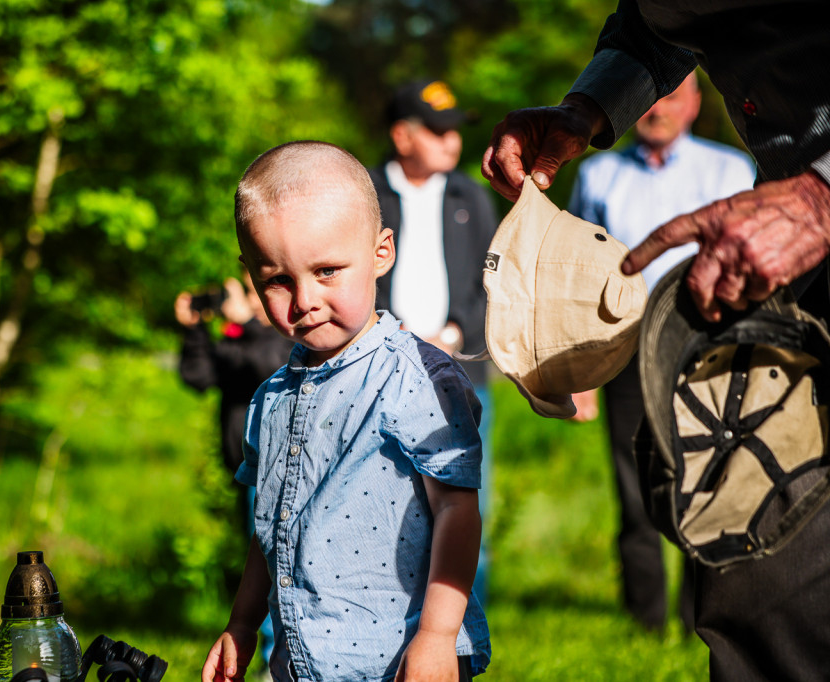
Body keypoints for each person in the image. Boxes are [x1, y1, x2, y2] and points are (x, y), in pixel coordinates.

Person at [482, 1, 830, 678]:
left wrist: (821, 196)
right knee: (753, 548)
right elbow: (656, 23)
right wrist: (587, 108)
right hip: (774, 293)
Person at [202, 141, 491, 682]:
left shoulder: (418, 377)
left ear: (382, 252)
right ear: (250, 276)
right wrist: (242, 623)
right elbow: (271, 526)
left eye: (327, 270)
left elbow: (457, 511)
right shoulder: (272, 396)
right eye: (277, 280)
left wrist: (437, 637)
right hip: (301, 661)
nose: (304, 299)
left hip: (400, 661)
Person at [566, 71, 755, 634]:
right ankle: (644, 623)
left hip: (708, 340)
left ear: (696, 102)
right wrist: (582, 371)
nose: (658, 109)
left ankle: (702, 617)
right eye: (648, 98)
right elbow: (582, 274)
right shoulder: (598, 172)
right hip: (626, 343)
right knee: (634, 483)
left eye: (672, 95)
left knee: (708, 480)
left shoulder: (731, 170)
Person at [369, 80, 499, 606]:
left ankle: (463, 633)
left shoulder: (471, 194)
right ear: (402, 136)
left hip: (457, 369)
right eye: (437, 130)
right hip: (381, 364)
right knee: (380, 505)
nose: (452, 141)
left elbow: (493, 278)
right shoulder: (367, 195)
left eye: (455, 131)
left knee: (464, 501)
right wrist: (391, 330)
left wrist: (456, 333)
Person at [175, 275, 292, 671]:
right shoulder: (237, 335)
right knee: (265, 565)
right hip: (249, 469)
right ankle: (271, 660)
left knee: (281, 568)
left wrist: (247, 324)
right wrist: (194, 332)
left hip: (284, 466)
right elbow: (199, 376)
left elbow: (270, 363)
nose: (255, 297)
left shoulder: (288, 330)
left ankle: (279, 662)